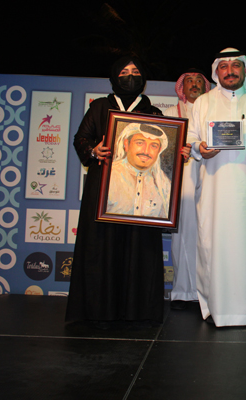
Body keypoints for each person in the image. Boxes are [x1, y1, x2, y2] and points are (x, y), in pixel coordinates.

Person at [186, 48, 246, 327]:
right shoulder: (202, 103)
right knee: (214, 249)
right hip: (214, 193)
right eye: (224, 66)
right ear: (216, 71)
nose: (230, 71)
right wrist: (200, 148)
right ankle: (215, 309)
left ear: (245, 70)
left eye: (236, 65)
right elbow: (190, 140)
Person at [66, 56, 165, 327]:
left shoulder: (154, 112)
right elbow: (81, 138)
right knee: (102, 247)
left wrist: (175, 154)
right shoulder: (100, 106)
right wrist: (92, 150)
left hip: (142, 194)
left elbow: (164, 151)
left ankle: (139, 312)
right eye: (124, 72)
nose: (130, 76)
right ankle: (99, 311)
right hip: (103, 191)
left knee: (140, 247)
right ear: (113, 77)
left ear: (143, 79)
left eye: (135, 71)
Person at [164, 69, 211, 310]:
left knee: (209, 235)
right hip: (183, 180)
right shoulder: (171, 114)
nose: (194, 85)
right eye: (189, 81)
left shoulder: (213, 111)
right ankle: (183, 292)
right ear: (182, 88)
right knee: (184, 234)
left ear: (206, 86)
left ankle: (209, 293)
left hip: (211, 177)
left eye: (199, 81)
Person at [107, 122, 170, 218]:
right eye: (140, 143)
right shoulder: (109, 175)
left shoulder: (163, 183)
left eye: (153, 146)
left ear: (159, 150)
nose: (146, 151)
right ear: (126, 144)